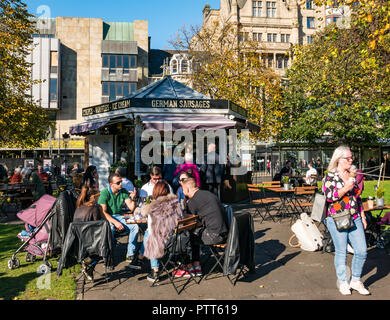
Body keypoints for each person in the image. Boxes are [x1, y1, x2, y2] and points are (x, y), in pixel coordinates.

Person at [322, 145, 370, 296]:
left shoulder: (352, 175)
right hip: (337, 219)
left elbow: (357, 197)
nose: (351, 160)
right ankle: (343, 282)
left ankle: (355, 280)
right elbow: (329, 196)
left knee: (362, 250)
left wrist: (362, 216)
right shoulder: (329, 177)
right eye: (347, 158)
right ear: (338, 159)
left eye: (351, 158)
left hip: (355, 217)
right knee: (341, 252)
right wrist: (346, 188)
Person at [180, 178, 228, 277]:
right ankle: (196, 265)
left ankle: (192, 266)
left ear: (188, 189)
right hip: (226, 234)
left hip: (214, 236)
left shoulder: (193, 201)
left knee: (186, 235)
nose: (183, 192)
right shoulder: (209, 194)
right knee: (194, 232)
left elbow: (189, 223)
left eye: (183, 189)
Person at [137, 180, 183, 283]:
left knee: (150, 234)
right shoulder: (175, 203)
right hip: (174, 239)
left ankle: (155, 270)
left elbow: (144, 216)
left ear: (155, 192)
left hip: (160, 242)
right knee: (149, 233)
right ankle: (139, 257)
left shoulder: (152, 206)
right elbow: (180, 219)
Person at [98, 173, 138, 262]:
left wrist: (134, 198)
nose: (121, 184)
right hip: (107, 217)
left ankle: (130, 253)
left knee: (135, 227)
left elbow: (131, 208)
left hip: (119, 216)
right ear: (111, 184)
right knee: (110, 228)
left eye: (121, 182)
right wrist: (115, 222)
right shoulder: (105, 192)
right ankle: (108, 254)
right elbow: (102, 213)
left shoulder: (123, 191)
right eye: (118, 183)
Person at [74, 185, 103, 280]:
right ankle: (89, 262)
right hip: (89, 241)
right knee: (110, 243)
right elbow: (98, 226)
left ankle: (89, 269)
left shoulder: (79, 206)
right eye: (97, 196)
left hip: (77, 240)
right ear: (93, 197)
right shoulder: (94, 208)